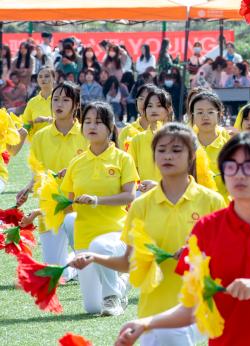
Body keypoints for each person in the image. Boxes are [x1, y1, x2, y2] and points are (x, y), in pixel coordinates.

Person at [113, 132, 250, 346]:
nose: (239, 175)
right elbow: (191, 306)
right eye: (231, 167)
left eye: (249, 166)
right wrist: (145, 323)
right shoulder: (206, 229)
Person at [73, 122, 225, 344]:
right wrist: (95, 257)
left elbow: (227, 257)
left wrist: (196, 254)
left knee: (172, 335)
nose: (167, 156)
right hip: (151, 311)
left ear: (192, 156)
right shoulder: (141, 205)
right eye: (161, 150)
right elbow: (128, 263)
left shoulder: (211, 201)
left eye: (176, 150)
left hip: (198, 308)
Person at [61, 102, 138, 315]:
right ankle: (125, 281)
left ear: (110, 127)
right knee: (92, 307)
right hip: (84, 238)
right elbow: (66, 204)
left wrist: (97, 200)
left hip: (117, 232)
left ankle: (113, 298)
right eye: (87, 121)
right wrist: (39, 213)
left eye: (98, 122)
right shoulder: (76, 163)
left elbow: (129, 196)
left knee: (100, 245)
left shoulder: (123, 158)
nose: (92, 126)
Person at [17, 81, 87, 270]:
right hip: (49, 210)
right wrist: (27, 188)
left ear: (76, 104)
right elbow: (38, 173)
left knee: (89, 267)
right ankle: (71, 265)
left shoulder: (87, 134)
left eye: (65, 100)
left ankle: (78, 261)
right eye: (55, 99)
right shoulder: (40, 137)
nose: (59, 104)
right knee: (55, 273)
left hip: (82, 209)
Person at [128, 87, 176, 194]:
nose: (154, 110)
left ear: (169, 109)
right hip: (144, 196)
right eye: (149, 106)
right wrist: (138, 186)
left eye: (159, 106)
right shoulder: (137, 139)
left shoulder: (178, 138)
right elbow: (130, 172)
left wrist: (158, 186)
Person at [189, 90, 233, 200]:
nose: (205, 117)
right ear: (192, 115)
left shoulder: (229, 147)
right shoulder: (186, 146)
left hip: (223, 206)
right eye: (199, 112)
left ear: (219, 114)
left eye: (210, 112)